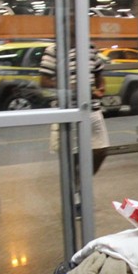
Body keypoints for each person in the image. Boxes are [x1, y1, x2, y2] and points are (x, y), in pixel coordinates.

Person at [39, 40, 109, 177]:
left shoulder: (90, 47)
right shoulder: (54, 50)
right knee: (71, 154)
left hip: (91, 108)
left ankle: (82, 183)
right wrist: (72, 88)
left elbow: (98, 73)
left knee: (101, 150)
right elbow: (44, 81)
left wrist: (101, 87)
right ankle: (75, 187)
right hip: (67, 110)